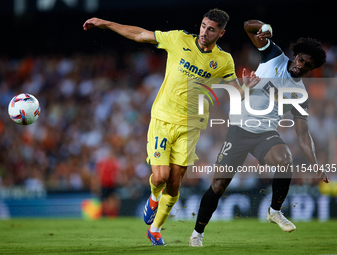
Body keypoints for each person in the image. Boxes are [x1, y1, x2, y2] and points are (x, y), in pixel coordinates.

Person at [83, 9, 259, 246]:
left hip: (191, 127)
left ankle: (155, 230)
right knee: (161, 177)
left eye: (211, 29)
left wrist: (247, 87)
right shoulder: (178, 39)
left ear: (221, 33)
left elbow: (234, 92)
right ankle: (154, 197)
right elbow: (140, 35)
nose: (204, 32)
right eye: (203, 26)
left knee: (175, 183)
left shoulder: (224, 60)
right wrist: (105, 23)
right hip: (163, 120)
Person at [189, 20, 329, 247]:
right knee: (218, 186)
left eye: (308, 65)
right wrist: (264, 27)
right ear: (296, 56)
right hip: (239, 131)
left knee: (285, 160)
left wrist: (315, 163)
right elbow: (248, 26)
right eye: (302, 59)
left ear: (311, 70)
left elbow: (303, 134)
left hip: (265, 134)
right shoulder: (274, 55)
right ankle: (197, 234)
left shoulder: (300, 95)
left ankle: (274, 211)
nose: (302, 66)